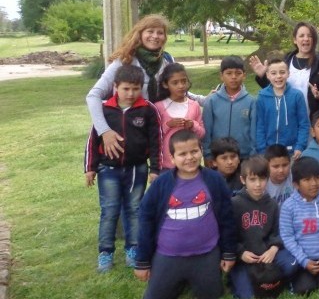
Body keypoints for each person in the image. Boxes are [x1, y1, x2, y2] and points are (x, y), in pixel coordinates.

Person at [134, 130, 237, 299]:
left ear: (201, 151)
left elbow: (227, 218)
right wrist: (142, 261)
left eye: (194, 151)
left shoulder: (214, 180)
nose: (190, 157)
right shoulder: (161, 184)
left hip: (206, 254)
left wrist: (229, 252)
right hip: (168, 254)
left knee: (212, 294)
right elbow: (146, 221)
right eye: (182, 154)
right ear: (172, 158)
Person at [84, 64, 161, 273]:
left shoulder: (147, 109)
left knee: (134, 209)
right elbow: (93, 140)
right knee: (109, 211)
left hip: (137, 169)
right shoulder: (104, 109)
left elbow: (156, 141)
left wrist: (155, 168)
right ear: (115, 86)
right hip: (107, 170)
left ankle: (132, 249)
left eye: (135, 88)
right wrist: (89, 168)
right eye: (126, 88)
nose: (130, 93)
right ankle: (105, 252)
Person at [86, 15, 178, 163]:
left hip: (157, 131)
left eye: (160, 32)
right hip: (129, 134)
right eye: (150, 31)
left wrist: (205, 99)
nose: (155, 36)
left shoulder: (167, 60)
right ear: (140, 34)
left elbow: (177, 90)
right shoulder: (124, 60)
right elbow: (93, 96)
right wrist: (104, 131)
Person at [230, 156, 298, 299]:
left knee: (292, 263)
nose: (258, 184)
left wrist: (273, 248)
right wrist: (241, 253)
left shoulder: (272, 204)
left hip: (267, 254)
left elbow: (279, 231)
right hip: (244, 258)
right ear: (243, 180)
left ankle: (276, 277)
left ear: (267, 179)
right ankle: (239, 279)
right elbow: (228, 236)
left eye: (262, 179)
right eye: (253, 180)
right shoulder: (235, 204)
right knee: (247, 295)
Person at [279, 157, 319, 295]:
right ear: (296, 184)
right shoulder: (288, 206)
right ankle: (297, 278)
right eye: (307, 180)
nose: (314, 183)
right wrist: (304, 261)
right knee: (304, 289)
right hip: (302, 261)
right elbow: (287, 238)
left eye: (317, 178)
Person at [250, 22, 319, 118]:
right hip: (287, 119)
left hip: (314, 121)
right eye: (301, 36)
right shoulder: (286, 61)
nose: (306, 39)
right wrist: (262, 76)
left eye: (309, 36)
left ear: (314, 39)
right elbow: (274, 88)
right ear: (295, 40)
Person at [202, 56, 256, 164]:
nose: (234, 77)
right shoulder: (212, 101)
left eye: (238, 73)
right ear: (221, 76)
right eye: (229, 73)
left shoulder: (251, 102)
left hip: (244, 157)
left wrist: (253, 155)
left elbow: (254, 132)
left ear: (244, 75)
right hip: (218, 157)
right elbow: (207, 131)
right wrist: (207, 154)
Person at [254, 55, 310, 156]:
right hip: (268, 152)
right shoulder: (262, 96)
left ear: (288, 74)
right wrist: (262, 149)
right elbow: (260, 126)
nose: (278, 76)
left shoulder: (297, 96)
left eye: (282, 72)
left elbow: (303, 124)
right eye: (273, 73)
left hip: (292, 151)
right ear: (267, 75)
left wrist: (300, 146)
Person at [154, 63, 205, 170]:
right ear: (165, 84)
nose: (181, 86)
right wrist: (168, 125)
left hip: (190, 163)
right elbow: (154, 136)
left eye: (183, 81)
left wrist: (192, 125)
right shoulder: (159, 107)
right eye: (175, 83)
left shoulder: (194, 105)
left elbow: (202, 133)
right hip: (167, 165)